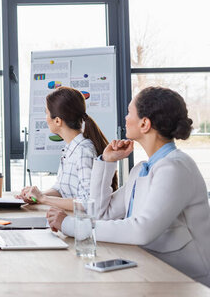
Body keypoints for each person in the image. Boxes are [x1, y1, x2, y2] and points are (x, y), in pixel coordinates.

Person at [47, 86, 210, 286]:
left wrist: (71, 225)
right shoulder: (143, 169)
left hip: (188, 281)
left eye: (129, 112)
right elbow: (100, 213)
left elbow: (141, 230)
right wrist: (106, 162)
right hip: (150, 270)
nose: (125, 118)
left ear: (144, 123)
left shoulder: (175, 167)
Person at [17, 87, 117, 211]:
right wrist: (35, 196)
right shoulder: (69, 148)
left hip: (79, 223)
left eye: (47, 113)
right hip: (67, 217)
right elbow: (60, 189)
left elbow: (87, 203)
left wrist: (43, 198)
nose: (46, 118)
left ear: (58, 121)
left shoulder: (83, 151)